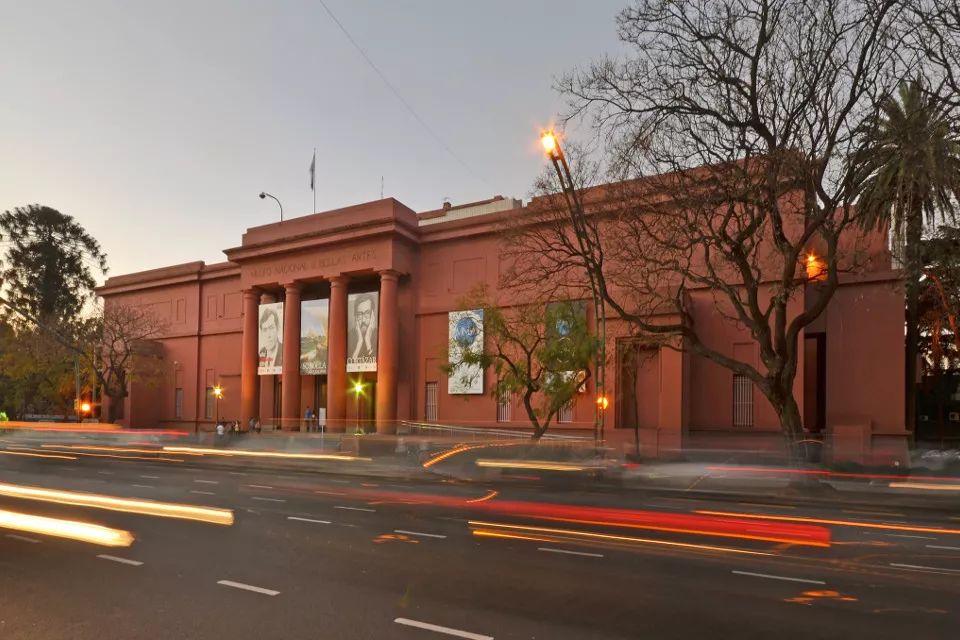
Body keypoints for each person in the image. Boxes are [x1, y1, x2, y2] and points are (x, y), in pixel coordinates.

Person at [349, 293, 378, 361]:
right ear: (355, 316)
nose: (363, 320)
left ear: (372, 315)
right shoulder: (349, 336)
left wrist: (367, 340)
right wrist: (359, 342)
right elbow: (351, 368)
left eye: (367, 313)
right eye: (360, 314)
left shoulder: (380, 336)